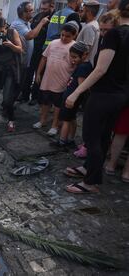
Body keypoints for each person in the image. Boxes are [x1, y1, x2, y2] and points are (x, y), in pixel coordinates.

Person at [64, 0, 129, 194]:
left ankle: (90, 182)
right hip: (120, 95)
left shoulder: (116, 34)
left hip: (104, 94)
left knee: (91, 137)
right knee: (102, 136)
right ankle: (89, 169)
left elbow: (100, 69)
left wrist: (76, 92)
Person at [74, 11, 120, 159]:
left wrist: (77, 92)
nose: (103, 33)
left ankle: (92, 159)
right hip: (99, 87)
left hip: (108, 91)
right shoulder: (102, 40)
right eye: (102, 29)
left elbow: (101, 69)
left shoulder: (116, 41)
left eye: (107, 30)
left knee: (98, 130)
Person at [33, 21, 78, 136]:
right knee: (45, 102)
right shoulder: (53, 43)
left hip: (62, 80)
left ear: (74, 35)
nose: (64, 37)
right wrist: (38, 73)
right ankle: (42, 120)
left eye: (67, 36)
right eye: (62, 34)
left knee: (58, 105)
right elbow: (44, 58)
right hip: (48, 78)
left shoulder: (75, 47)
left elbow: (76, 63)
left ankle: (54, 125)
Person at [51, 42, 92, 149]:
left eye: (75, 57)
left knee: (66, 120)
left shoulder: (83, 67)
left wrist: (74, 97)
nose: (72, 59)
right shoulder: (84, 65)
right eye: (71, 56)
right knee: (71, 118)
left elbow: (81, 85)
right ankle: (70, 139)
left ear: (84, 55)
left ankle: (62, 141)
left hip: (71, 99)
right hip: (71, 98)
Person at [11, 2, 50, 103]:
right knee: (15, 86)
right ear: (24, 13)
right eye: (31, 11)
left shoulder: (26, 23)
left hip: (24, 61)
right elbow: (30, 35)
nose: (33, 12)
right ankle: (7, 108)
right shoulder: (18, 24)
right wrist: (41, 23)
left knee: (19, 85)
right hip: (18, 62)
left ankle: (10, 104)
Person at [22, 0, 55, 106]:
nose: (43, 11)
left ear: (52, 6)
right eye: (42, 8)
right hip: (34, 48)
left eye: (45, 9)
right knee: (29, 72)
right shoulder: (38, 16)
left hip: (44, 50)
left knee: (39, 73)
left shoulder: (54, 18)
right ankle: (25, 95)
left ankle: (35, 96)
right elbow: (31, 28)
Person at [76, 0, 100, 66]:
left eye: (82, 11)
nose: (80, 14)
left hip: (84, 64)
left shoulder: (90, 27)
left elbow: (86, 48)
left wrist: (78, 62)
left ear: (88, 12)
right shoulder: (93, 24)